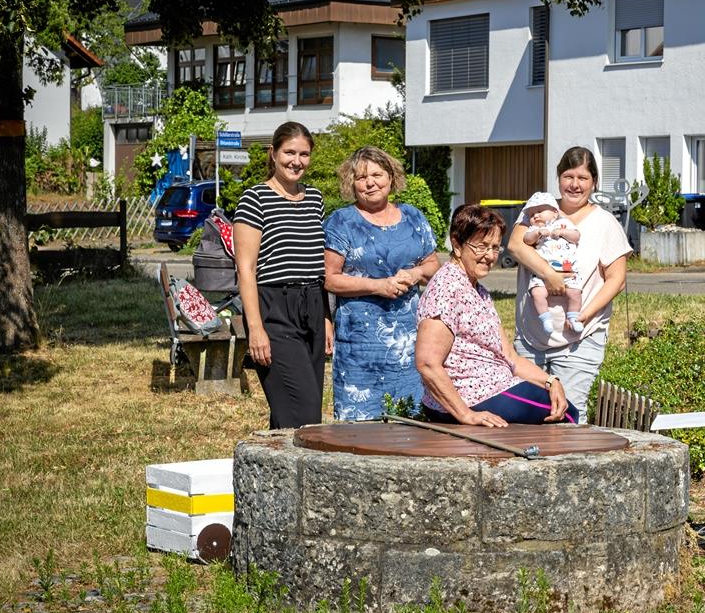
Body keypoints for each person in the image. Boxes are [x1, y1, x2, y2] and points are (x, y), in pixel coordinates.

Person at [415, 204, 576, 427]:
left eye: (495, 247)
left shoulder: (477, 290)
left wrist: (550, 380)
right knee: (567, 415)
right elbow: (427, 363)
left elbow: (509, 356)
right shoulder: (447, 287)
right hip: (471, 397)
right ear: (457, 244)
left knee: (561, 404)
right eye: (481, 247)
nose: (490, 256)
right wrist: (466, 415)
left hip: (491, 387)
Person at [507, 146, 633, 420]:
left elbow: (617, 280)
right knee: (527, 418)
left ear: (594, 182)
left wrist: (585, 314)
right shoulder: (538, 211)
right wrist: (549, 275)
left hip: (579, 339)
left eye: (583, 178)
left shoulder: (605, 223)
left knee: (569, 417)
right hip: (530, 339)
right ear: (558, 178)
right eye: (568, 176)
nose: (574, 185)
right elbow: (516, 246)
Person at [324, 146, 439, 420]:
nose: (370, 182)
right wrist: (378, 286)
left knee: (411, 427)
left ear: (391, 177)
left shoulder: (413, 217)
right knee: (360, 433)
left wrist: (414, 275)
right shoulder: (341, 222)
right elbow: (329, 278)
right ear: (351, 183)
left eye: (376, 174)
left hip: (410, 344)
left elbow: (433, 264)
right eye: (361, 177)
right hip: (360, 348)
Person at [233, 121, 329, 428]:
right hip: (275, 309)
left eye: (304, 154)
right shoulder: (255, 198)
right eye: (289, 152)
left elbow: (318, 264)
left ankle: (273, 472)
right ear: (273, 153)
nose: (296, 161)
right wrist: (255, 328)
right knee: (306, 409)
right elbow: (245, 269)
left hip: (312, 306)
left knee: (292, 412)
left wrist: (326, 317)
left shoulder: (315, 198)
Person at [519, 191, 584, 335]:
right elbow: (527, 240)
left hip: (567, 269)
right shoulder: (534, 229)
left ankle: (573, 317)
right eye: (531, 214)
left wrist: (562, 232)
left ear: (555, 213)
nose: (535, 216)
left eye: (540, 211)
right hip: (542, 272)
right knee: (537, 293)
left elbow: (576, 236)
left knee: (575, 293)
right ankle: (545, 318)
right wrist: (536, 234)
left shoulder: (564, 223)